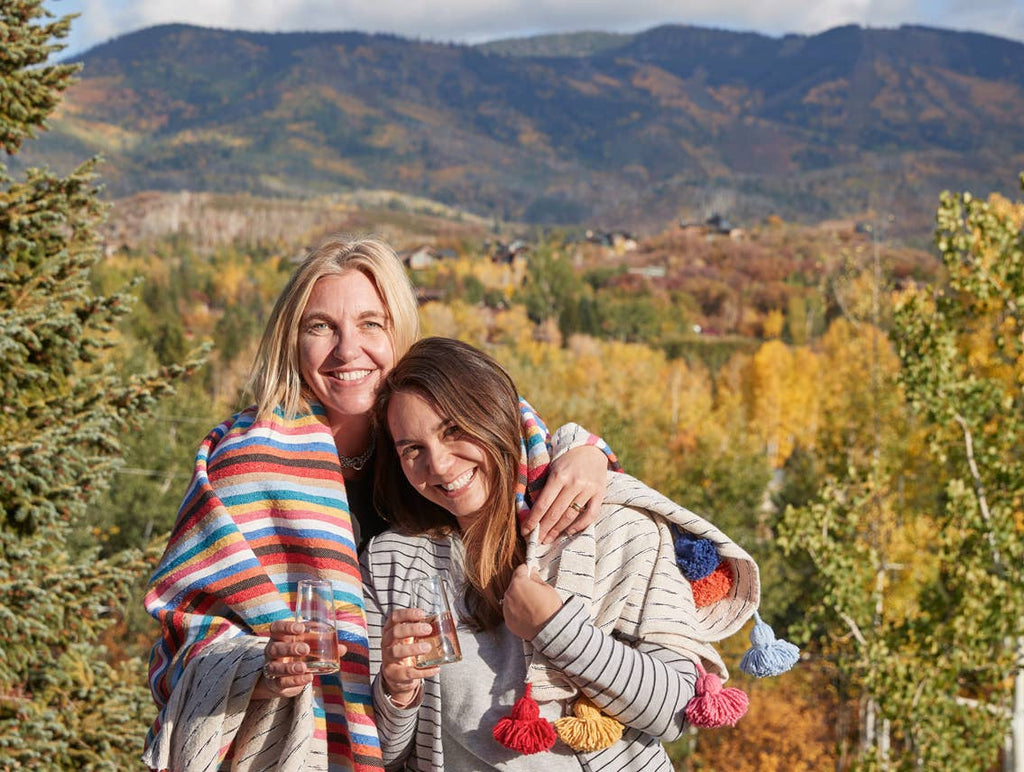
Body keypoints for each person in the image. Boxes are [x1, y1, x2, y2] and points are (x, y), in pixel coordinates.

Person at [142, 237, 615, 771]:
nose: (348, 351)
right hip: (307, 745)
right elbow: (186, 633)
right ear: (291, 340)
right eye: (320, 326)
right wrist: (259, 667)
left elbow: (527, 459)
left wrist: (585, 451)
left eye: (371, 323)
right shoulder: (248, 463)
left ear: (399, 330)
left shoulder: (438, 416)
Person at [361, 337, 762, 771]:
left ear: (494, 415)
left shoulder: (614, 527)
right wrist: (396, 693)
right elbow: (383, 756)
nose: (437, 465)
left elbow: (677, 710)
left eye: (453, 429)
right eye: (412, 449)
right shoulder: (393, 563)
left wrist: (555, 629)